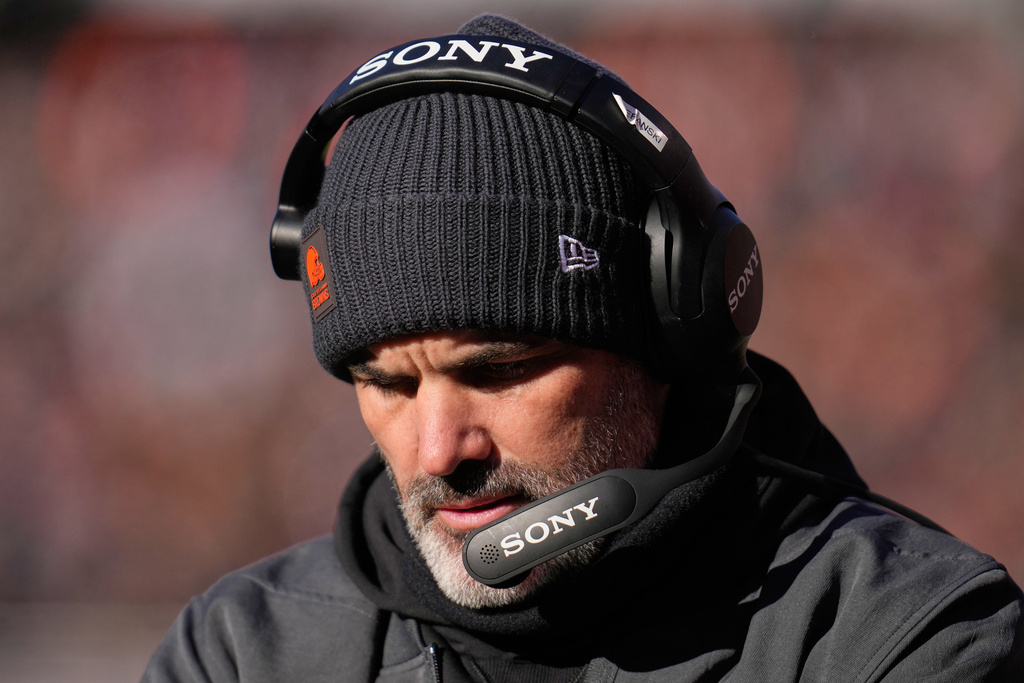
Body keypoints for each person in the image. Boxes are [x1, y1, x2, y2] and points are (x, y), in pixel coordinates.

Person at [143, 14, 1024, 682]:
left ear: (671, 327)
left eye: (498, 369)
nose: (440, 450)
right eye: (388, 384)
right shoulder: (244, 653)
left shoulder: (906, 635)